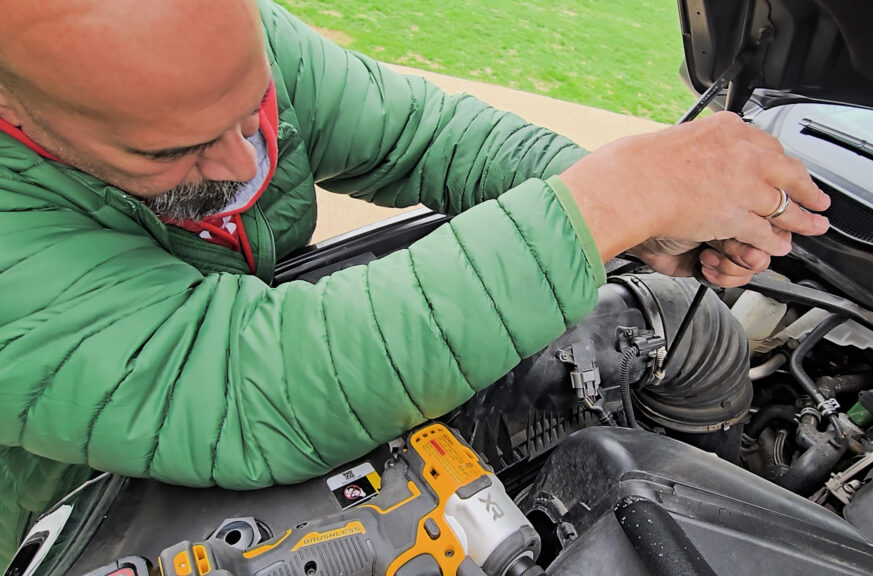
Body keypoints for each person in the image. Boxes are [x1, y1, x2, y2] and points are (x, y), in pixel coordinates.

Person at [0, 0, 830, 567]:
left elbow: (423, 137)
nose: (237, 162)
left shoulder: (224, 39)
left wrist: (645, 212)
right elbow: (240, 386)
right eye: (167, 152)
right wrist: (612, 198)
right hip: (65, 511)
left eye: (246, 108)